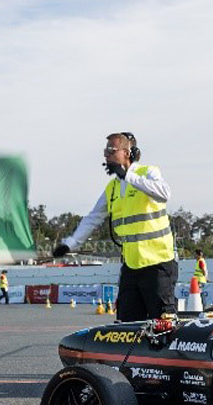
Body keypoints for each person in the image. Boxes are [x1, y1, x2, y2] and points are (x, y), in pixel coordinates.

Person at [52, 132, 176, 321]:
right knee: (127, 325)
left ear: (126, 152)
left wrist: (128, 176)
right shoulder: (112, 187)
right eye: (105, 151)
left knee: (162, 324)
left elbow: (164, 193)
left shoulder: (148, 172)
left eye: (111, 150)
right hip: (131, 266)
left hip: (158, 264)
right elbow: (93, 218)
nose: (106, 155)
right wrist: (70, 244)